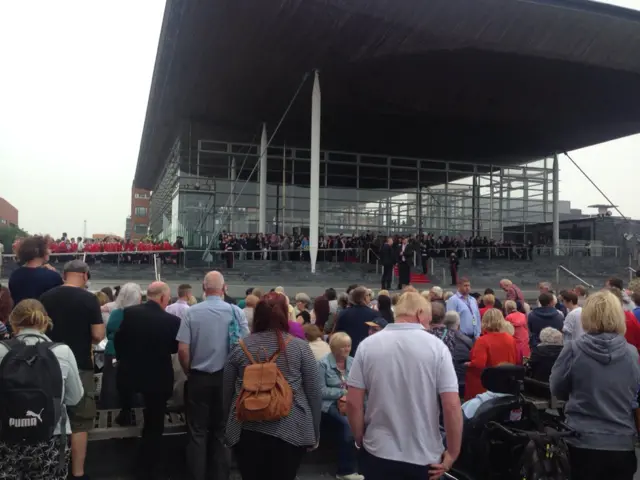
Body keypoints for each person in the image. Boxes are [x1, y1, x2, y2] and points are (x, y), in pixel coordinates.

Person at [347, 292, 462, 480]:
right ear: (419, 313)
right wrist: (453, 452)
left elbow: (353, 402)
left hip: (378, 449)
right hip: (424, 455)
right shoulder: (437, 347)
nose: (429, 324)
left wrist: (360, 438)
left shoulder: (367, 345)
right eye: (428, 319)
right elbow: (451, 405)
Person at [222, 292, 322, 480]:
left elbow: (227, 390)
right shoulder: (300, 347)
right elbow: (314, 392)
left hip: (248, 427)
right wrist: (315, 431)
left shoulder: (240, 347)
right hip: (291, 428)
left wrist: (228, 426)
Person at [550, 291, 640, 480]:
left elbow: (557, 388)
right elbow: (633, 392)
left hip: (582, 439)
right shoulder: (631, 353)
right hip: (621, 442)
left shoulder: (574, 349)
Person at [0, 299, 84, 480]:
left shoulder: (1, 350)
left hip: (7, 435)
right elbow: (75, 398)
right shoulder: (62, 351)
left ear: (13, 322)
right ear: (45, 322)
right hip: (51, 436)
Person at [176, 271, 248, 480]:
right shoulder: (236, 313)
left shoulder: (191, 312)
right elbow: (246, 348)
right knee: (223, 432)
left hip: (199, 377)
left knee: (197, 432)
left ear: (203, 288)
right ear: (224, 288)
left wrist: (189, 369)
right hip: (227, 379)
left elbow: (182, 350)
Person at [39, 260, 104, 480]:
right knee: (79, 421)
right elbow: (98, 335)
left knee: (48, 416)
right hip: (80, 365)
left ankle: (50, 468)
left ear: (64, 275)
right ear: (85, 276)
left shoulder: (45, 297)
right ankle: (77, 472)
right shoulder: (89, 299)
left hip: (48, 365)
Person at [115, 282, 181, 479]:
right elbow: (174, 349)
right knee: (154, 422)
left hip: (130, 373)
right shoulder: (172, 320)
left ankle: (125, 413)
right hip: (158, 377)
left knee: (128, 396)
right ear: (162, 297)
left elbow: (120, 340)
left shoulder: (130, 313)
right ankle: (148, 465)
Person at [319, 333, 363, 480]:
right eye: (343, 347)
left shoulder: (353, 362)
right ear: (335, 348)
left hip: (351, 402)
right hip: (329, 404)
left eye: (349, 346)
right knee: (347, 425)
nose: (347, 349)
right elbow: (320, 391)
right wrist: (343, 392)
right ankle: (345, 470)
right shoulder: (322, 364)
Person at [103, 282, 142, 410]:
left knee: (111, 383)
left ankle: (110, 407)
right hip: (134, 353)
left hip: (113, 352)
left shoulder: (115, 313)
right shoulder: (139, 314)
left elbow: (109, 331)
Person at [464, 309, 518, 401]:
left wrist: (468, 364)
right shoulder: (510, 339)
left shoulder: (482, 341)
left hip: (486, 387)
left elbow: (479, 364)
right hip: (506, 382)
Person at [9, 235, 62, 305]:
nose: (50, 251)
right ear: (39, 251)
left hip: (20, 314)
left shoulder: (15, 275)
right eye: (47, 248)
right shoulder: (52, 276)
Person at [333, 287, 386, 354]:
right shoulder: (374, 314)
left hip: (347, 350)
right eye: (368, 295)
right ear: (365, 297)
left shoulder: (343, 313)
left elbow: (337, 333)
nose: (370, 297)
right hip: (366, 350)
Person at [444, 311, 473, 398]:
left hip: (447, 380)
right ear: (458, 322)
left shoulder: (439, 338)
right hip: (462, 379)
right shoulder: (466, 340)